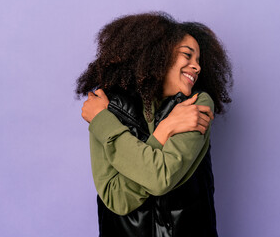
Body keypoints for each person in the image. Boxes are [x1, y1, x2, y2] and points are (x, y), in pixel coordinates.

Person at [76, 12, 232, 237]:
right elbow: (116, 197)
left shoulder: (197, 104)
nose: (196, 67)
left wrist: (104, 123)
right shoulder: (107, 108)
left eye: (199, 61)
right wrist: (165, 129)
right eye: (187, 55)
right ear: (158, 54)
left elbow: (160, 179)